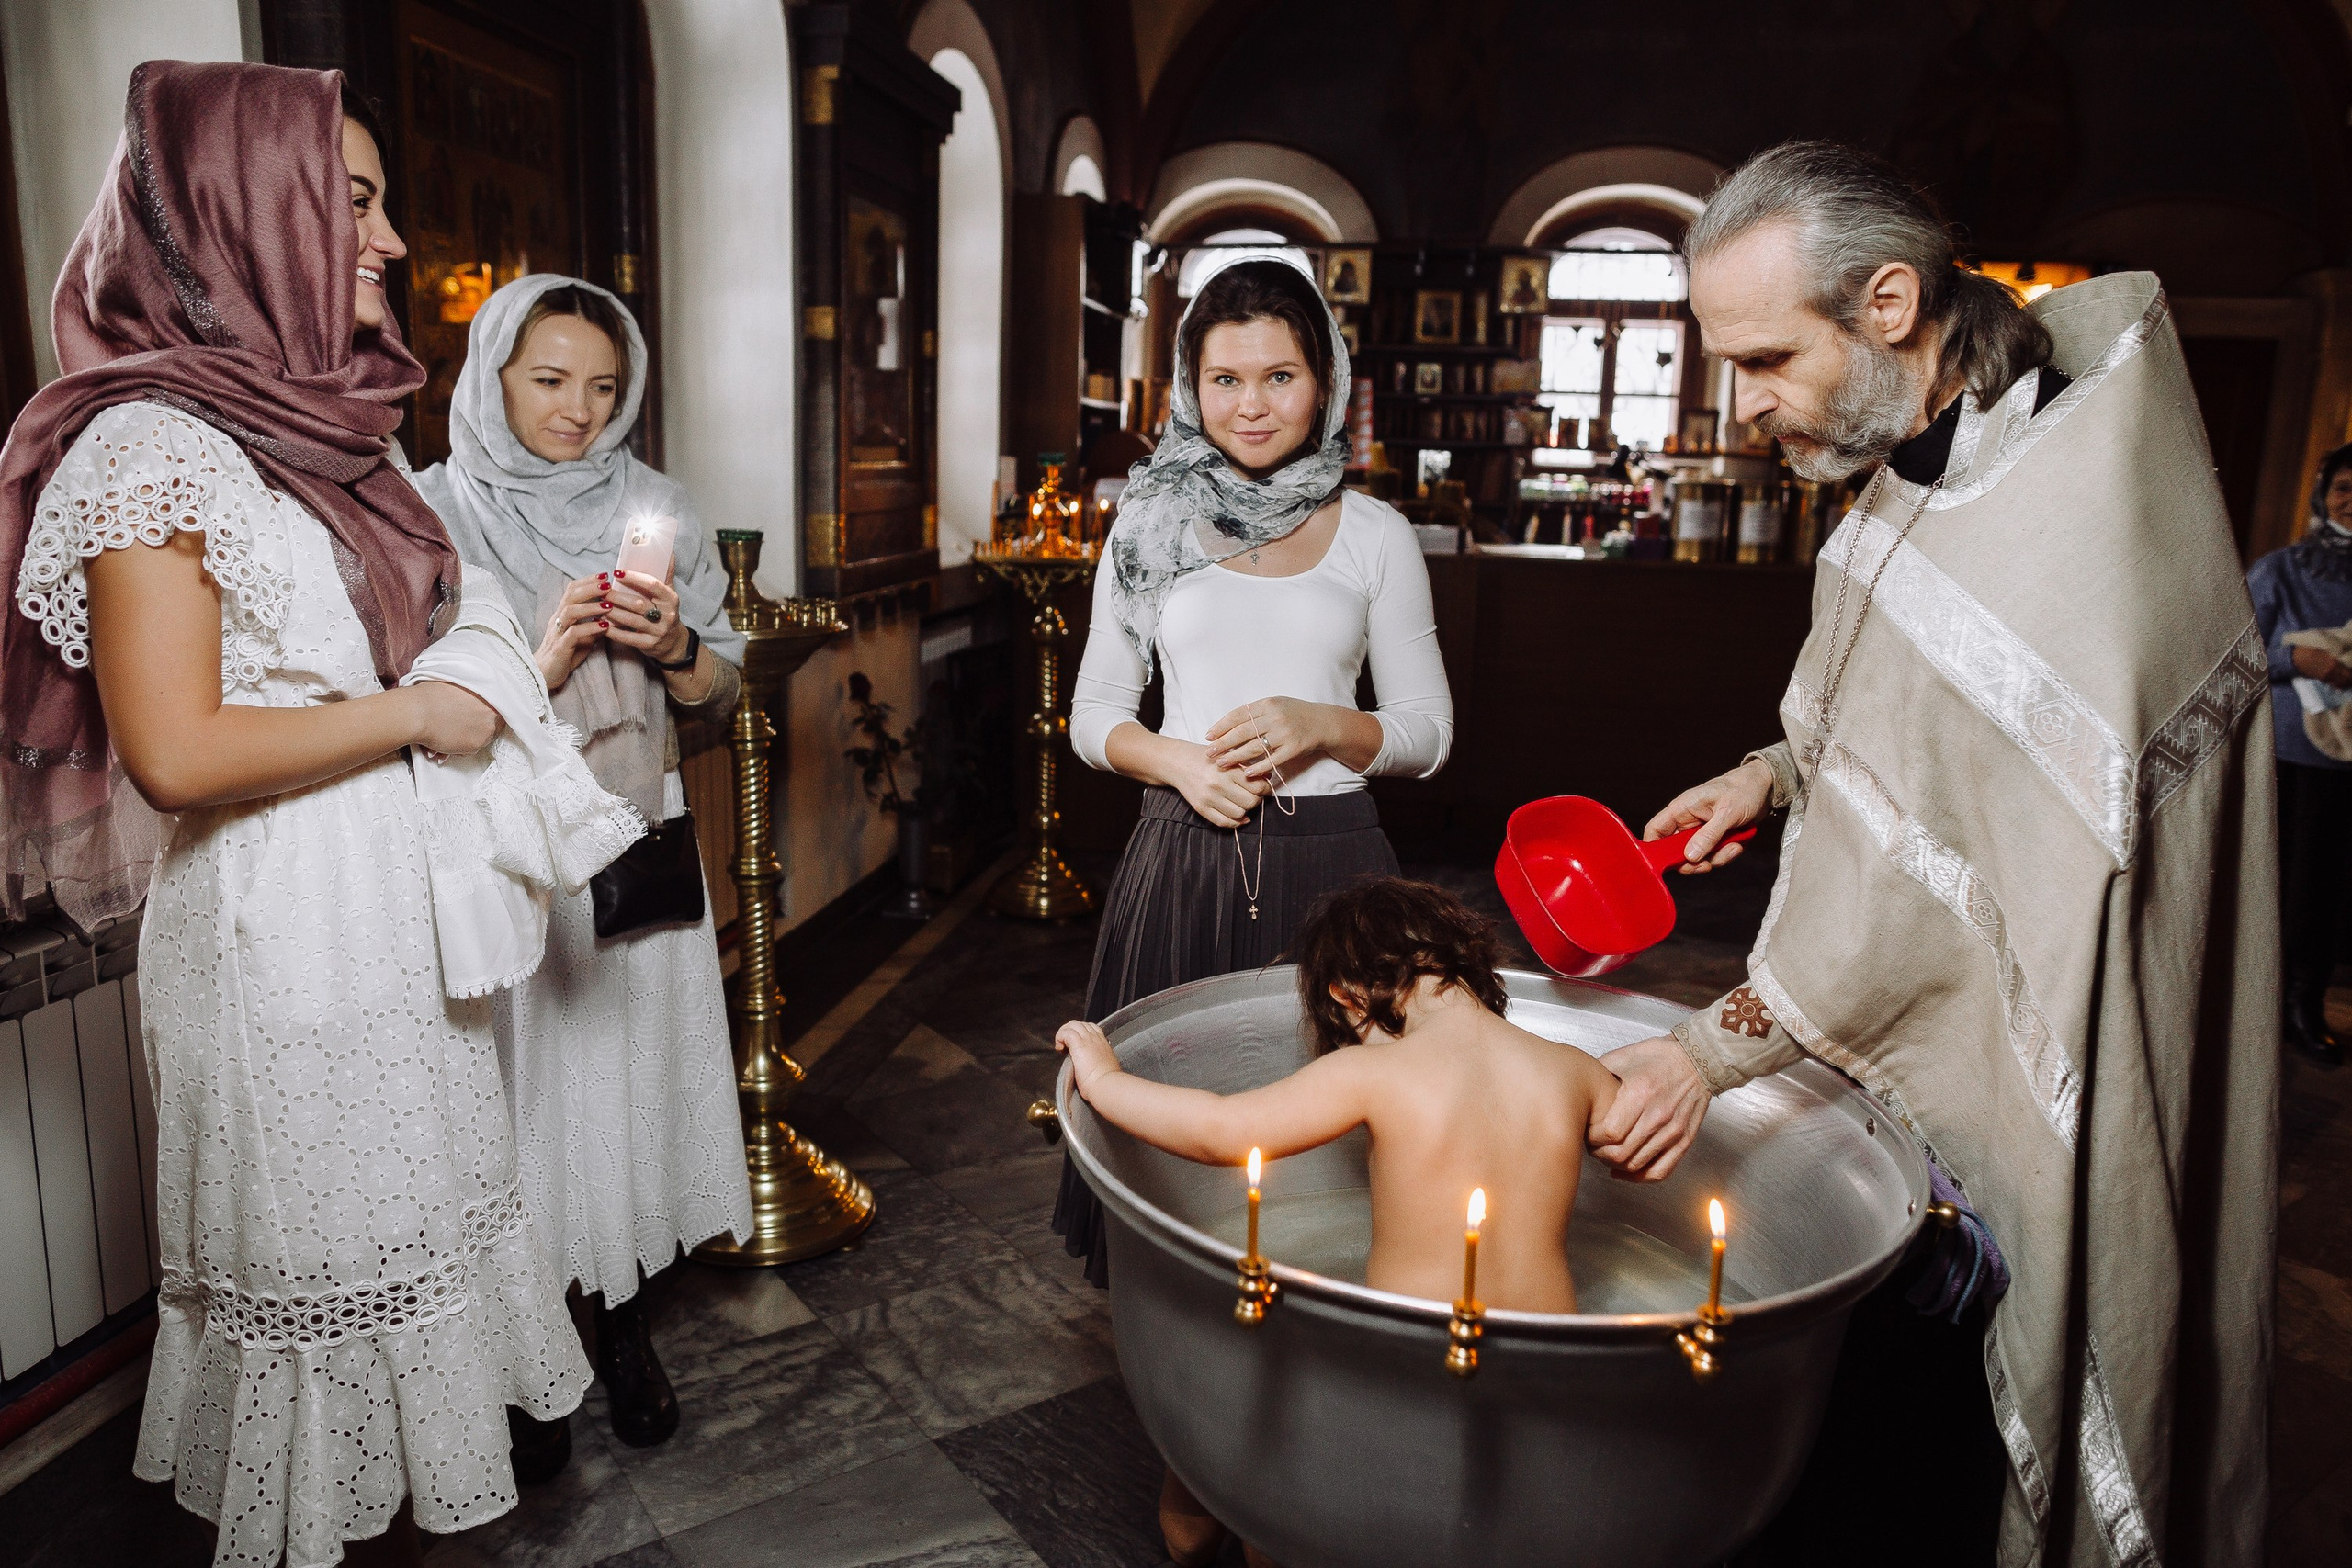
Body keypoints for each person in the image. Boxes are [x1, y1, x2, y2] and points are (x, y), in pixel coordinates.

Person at [1589, 142, 2276, 1566]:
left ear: (1890, 301)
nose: (1748, 401)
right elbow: (1927, 741)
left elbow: (1936, 874)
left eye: (1771, 356)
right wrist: (1773, 776)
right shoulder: (1933, 458)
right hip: (1912, 1066)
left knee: (1924, 1475)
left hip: (2026, 1062)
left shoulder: (2062, 521)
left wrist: (1702, 1053)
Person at [0, 63, 591, 1566]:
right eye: (354, 199)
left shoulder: (313, 427)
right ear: (233, 215)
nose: (391, 237)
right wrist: (417, 714)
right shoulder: (149, 449)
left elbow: (370, 663)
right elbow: (178, 749)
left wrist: (517, 662)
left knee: (421, 1248)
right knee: (327, 1268)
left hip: (388, 907)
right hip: (283, 935)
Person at [1057, 254, 1452, 1562]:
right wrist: (1180, 762)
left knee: (1329, 1175)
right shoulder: (1147, 522)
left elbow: (1430, 728)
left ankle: (1305, 1454)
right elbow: (1094, 713)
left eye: (1280, 373)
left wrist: (1321, 722)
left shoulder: (1379, 532)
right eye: (1224, 376)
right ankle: (1192, 1454)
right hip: (1182, 857)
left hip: (1341, 877)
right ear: (1189, 384)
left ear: (1324, 378)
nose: (1252, 401)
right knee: (1179, 1182)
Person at [412, 275, 753, 1465]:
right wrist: (540, 661)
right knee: (516, 1101)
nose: (577, 409)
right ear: (492, 371)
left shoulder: (653, 504)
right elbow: (408, 708)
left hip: (629, 826)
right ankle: (523, 1356)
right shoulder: (430, 511)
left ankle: (620, 1326)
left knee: (622, 1083)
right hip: (504, 842)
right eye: (549, 379)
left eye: (603, 387)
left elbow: (721, 690)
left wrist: (681, 647)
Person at [1056, 878, 1617, 1311]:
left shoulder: (1374, 1071)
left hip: (1418, 1339)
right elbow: (1640, 1142)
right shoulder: (1572, 1068)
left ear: (1346, 995)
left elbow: (1222, 1132)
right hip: (1550, 1339)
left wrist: (1105, 1081)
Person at [2249, 441, 2352, 1067]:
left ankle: (2306, 1006)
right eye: (2345, 488)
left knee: (2330, 893)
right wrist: (2297, 659)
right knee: (2279, 887)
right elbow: (2233, 653)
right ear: (2325, 495)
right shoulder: (2282, 570)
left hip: (2348, 764)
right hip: (2289, 760)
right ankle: (2259, 1011)